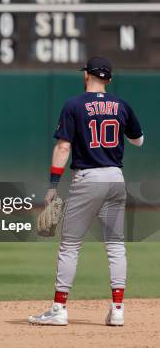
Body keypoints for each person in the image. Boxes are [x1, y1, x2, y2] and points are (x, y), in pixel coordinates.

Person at [29, 57, 144, 326]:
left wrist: (53, 185)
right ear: (109, 80)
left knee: (70, 245)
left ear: (86, 75)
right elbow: (138, 140)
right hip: (116, 178)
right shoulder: (122, 105)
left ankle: (59, 308)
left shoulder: (74, 104)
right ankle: (117, 309)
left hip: (88, 178)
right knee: (116, 246)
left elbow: (63, 148)